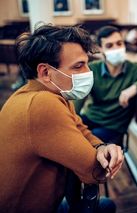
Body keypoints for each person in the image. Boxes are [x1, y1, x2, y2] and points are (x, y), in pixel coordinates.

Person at [0, 24, 124, 212]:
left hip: (52, 202)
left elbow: (81, 129)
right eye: (78, 66)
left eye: (87, 63)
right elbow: (95, 172)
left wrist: (101, 147)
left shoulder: (48, 94)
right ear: (45, 72)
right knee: (106, 206)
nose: (88, 72)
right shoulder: (42, 104)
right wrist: (104, 155)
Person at [74, 26, 137, 145]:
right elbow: (76, 105)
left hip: (113, 126)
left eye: (119, 43)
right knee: (71, 135)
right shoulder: (93, 69)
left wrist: (135, 87)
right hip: (91, 117)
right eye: (109, 46)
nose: (116, 48)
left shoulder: (134, 70)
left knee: (87, 141)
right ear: (100, 49)